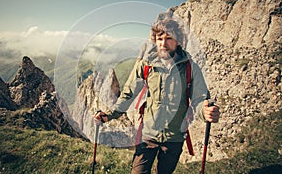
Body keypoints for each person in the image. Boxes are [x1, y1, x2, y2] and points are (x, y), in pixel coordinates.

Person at [94, 11, 220, 174]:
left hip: (174, 139)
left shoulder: (190, 68)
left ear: (178, 41)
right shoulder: (145, 66)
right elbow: (128, 94)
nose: (163, 43)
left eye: (168, 38)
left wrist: (206, 111)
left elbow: (199, 99)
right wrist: (109, 115)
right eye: (160, 39)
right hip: (147, 135)